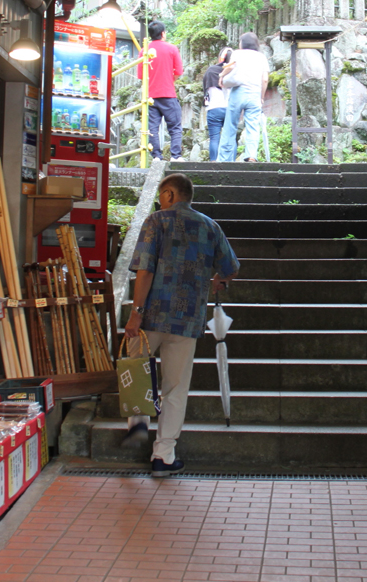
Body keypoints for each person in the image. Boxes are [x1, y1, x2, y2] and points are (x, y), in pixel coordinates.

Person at [122, 172, 239, 477]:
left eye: (162, 195)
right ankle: (163, 455)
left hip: (151, 315)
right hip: (187, 320)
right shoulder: (209, 226)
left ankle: (137, 426)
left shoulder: (156, 221)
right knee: (176, 388)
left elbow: (145, 271)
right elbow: (231, 267)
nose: (161, 200)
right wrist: (218, 279)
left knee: (137, 372)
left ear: (171, 195)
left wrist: (135, 312)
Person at [218, 32, 269, 163]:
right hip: (254, 94)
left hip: (238, 93)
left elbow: (231, 67)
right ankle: (251, 155)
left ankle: (224, 159)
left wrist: (221, 75)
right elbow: (265, 79)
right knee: (253, 126)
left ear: (242, 43)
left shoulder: (237, 53)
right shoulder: (261, 57)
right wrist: (261, 97)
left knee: (230, 126)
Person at [139, 20, 184, 161]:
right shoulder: (172, 49)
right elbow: (178, 71)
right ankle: (175, 156)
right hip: (168, 94)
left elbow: (141, 76)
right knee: (175, 126)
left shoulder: (144, 51)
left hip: (151, 96)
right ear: (163, 33)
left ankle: (156, 156)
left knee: (152, 128)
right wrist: (170, 81)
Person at [202, 48, 232, 162]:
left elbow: (205, 91)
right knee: (230, 137)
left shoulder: (210, 71)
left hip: (213, 109)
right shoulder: (232, 71)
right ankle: (230, 162)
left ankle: (213, 162)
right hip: (229, 109)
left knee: (214, 138)